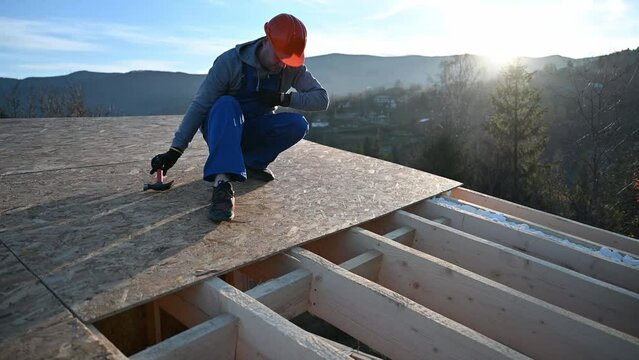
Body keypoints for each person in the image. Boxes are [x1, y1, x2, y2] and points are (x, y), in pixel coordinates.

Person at [149, 13, 329, 222]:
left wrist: (283, 98)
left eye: (287, 60)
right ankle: (222, 183)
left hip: (253, 127)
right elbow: (200, 107)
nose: (282, 65)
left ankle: (252, 163)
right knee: (226, 104)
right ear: (266, 40)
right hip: (222, 127)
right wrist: (175, 150)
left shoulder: (290, 67)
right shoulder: (229, 62)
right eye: (280, 57)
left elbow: (321, 99)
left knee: (297, 124)